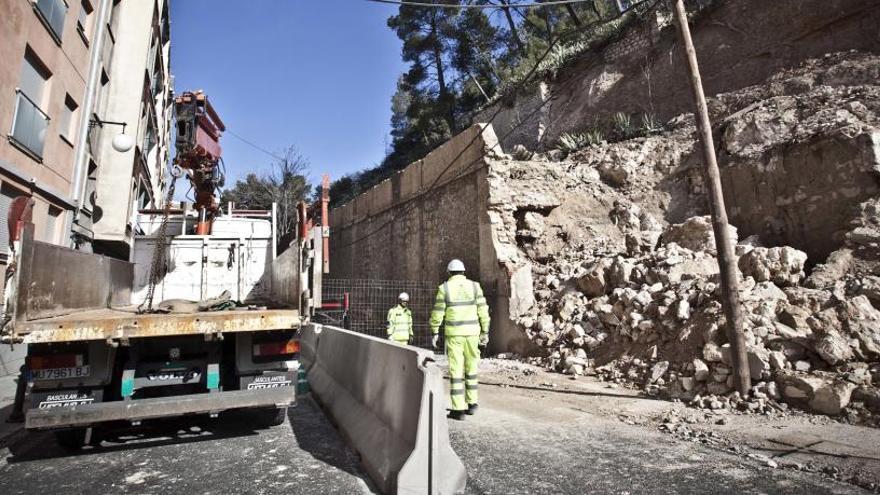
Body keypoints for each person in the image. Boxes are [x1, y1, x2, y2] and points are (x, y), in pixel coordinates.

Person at [430, 259, 490, 420]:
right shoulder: (474, 286)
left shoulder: (445, 288)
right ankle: (472, 403)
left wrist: (435, 331)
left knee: (456, 371)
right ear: (464, 272)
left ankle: (458, 409)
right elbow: (483, 310)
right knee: (471, 368)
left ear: (449, 273)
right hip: (472, 334)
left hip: (455, 335)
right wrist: (485, 331)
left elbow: (438, 313)